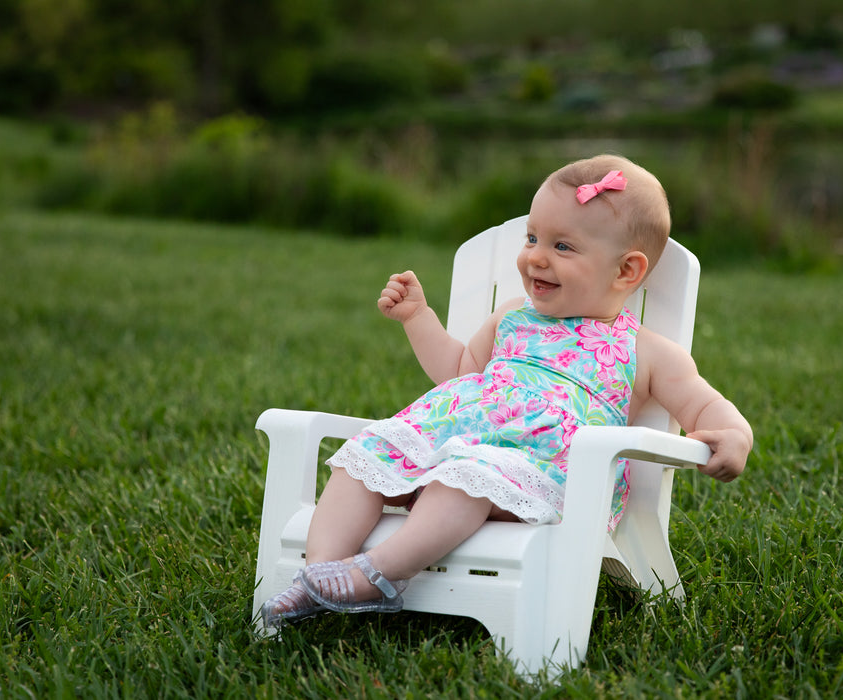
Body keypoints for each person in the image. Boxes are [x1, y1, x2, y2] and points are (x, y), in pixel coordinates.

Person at [261, 154, 752, 626]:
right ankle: (321, 573)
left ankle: (378, 574)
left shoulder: (644, 349)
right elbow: (458, 371)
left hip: (539, 470)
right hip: (449, 440)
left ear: (626, 271)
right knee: (362, 458)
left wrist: (732, 433)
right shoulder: (511, 317)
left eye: (563, 247)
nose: (535, 257)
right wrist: (417, 318)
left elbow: (703, 403)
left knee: (463, 479)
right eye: (533, 237)